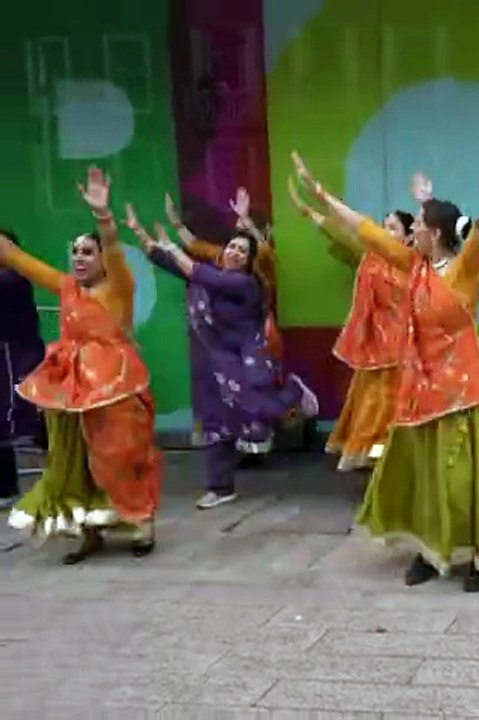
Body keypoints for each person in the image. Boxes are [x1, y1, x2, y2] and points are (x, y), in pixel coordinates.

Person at [293, 151, 479, 592]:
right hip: (419, 389)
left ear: (434, 234)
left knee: (461, 477)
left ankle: (477, 555)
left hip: (461, 391)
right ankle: (430, 551)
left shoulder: (464, 268)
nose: (411, 228)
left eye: (417, 223)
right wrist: (321, 193)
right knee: (424, 475)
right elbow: (364, 230)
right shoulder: (413, 264)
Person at [2, 167, 162, 562]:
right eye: (75, 251)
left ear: (103, 259)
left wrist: (103, 216)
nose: (79, 258)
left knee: (118, 457)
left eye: (87, 252)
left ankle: (141, 522)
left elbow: (113, 246)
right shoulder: (68, 288)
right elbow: (18, 259)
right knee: (72, 459)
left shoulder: (119, 286)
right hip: (70, 388)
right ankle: (89, 530)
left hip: (115, 388)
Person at [123, 208, 316, 509]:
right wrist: (140, 233)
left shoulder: (244, 284)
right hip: (212, 363)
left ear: (249, 260)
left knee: (255, 410)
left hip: (244, 361)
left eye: (242, 251)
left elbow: (197, 273)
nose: (235, 253)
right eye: (232, 247)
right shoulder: (211, 274)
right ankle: (221, 487)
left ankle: (293, 392)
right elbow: (165, 260)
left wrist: (173, 245)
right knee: (216, 424)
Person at [288, 177, 411, 472]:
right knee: (370, 407)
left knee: (394, 407)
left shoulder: (414, 262)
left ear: (408, 238)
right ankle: (373, 460)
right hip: (374, 348)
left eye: (393, 228)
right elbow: (342, 235)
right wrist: (309, 211)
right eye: (384, 226)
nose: (385, 231)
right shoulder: (370, 259)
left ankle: (396, 460)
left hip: (405, 351)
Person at [0, 230, 45, 508]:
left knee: (34, 420)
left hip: (19, 359)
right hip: (7, 360)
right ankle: (5, 488)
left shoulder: (14, 280)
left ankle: (71, 472)